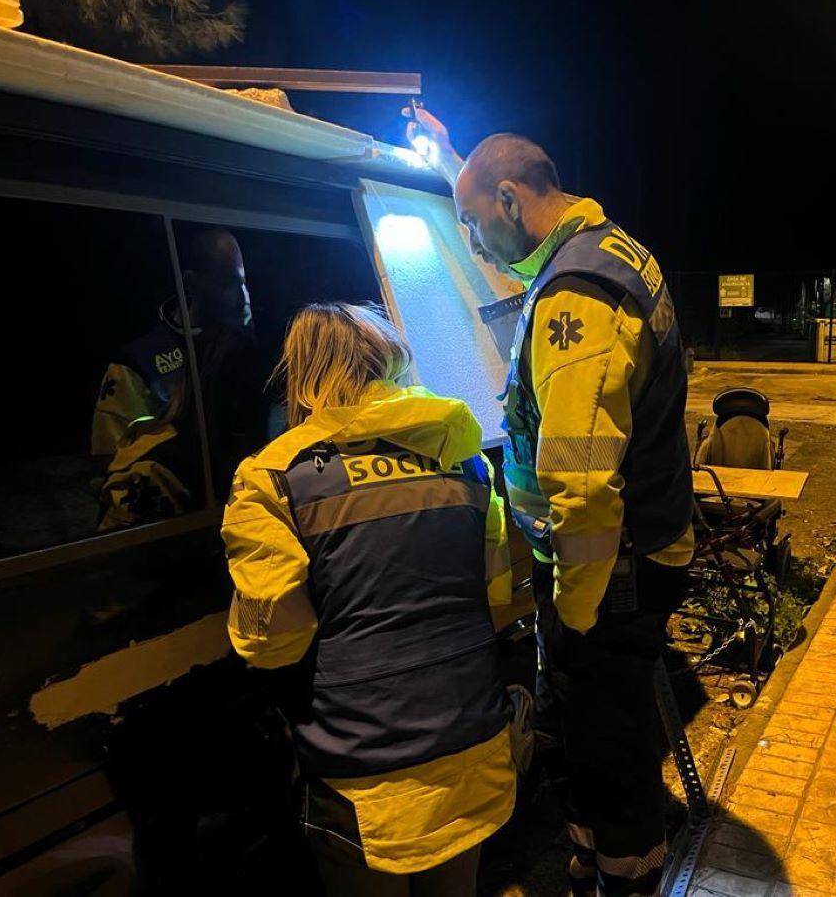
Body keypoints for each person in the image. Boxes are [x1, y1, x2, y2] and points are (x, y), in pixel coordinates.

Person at [407, 107, 694, 897]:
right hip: (630, 552)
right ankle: (596, 855)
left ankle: (627, 875)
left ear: (509, 199)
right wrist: (449, 161)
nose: (469, 244)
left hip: (612, 565)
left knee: (607, 736)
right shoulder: (600, 250)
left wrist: (575, 609)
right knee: (604, 724)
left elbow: (583, 477)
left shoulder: (577, 294)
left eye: (470, 221)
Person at [221, 303, 516, 895]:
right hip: (472, 741)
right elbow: (499, 593)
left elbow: (271, 639)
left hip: (363, 771)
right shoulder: (463, 458)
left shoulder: (273, 477)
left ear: (303, 375)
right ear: (391, 362)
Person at [93, 228, 266, 528]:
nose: (243, 298)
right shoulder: (138, 362)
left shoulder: (246, 348)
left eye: (244, 283)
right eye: (228, 284)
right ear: (191, 282)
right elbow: (109, 468)